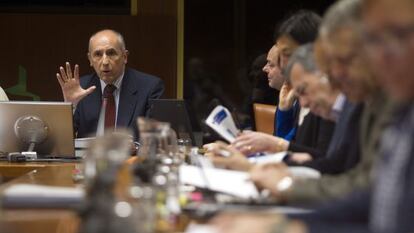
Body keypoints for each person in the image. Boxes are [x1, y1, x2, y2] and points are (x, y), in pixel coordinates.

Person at [56, 29, 164, 139]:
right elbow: (61, 141)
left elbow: (154, 140)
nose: (105, 62)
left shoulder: (149, 87)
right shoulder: (81, 87)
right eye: (98, 54)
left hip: (129, 156)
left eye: (111, 53)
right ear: (90, 59)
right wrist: (70, 106)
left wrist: (134, 147)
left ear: (125, 57)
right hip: (88, 156)